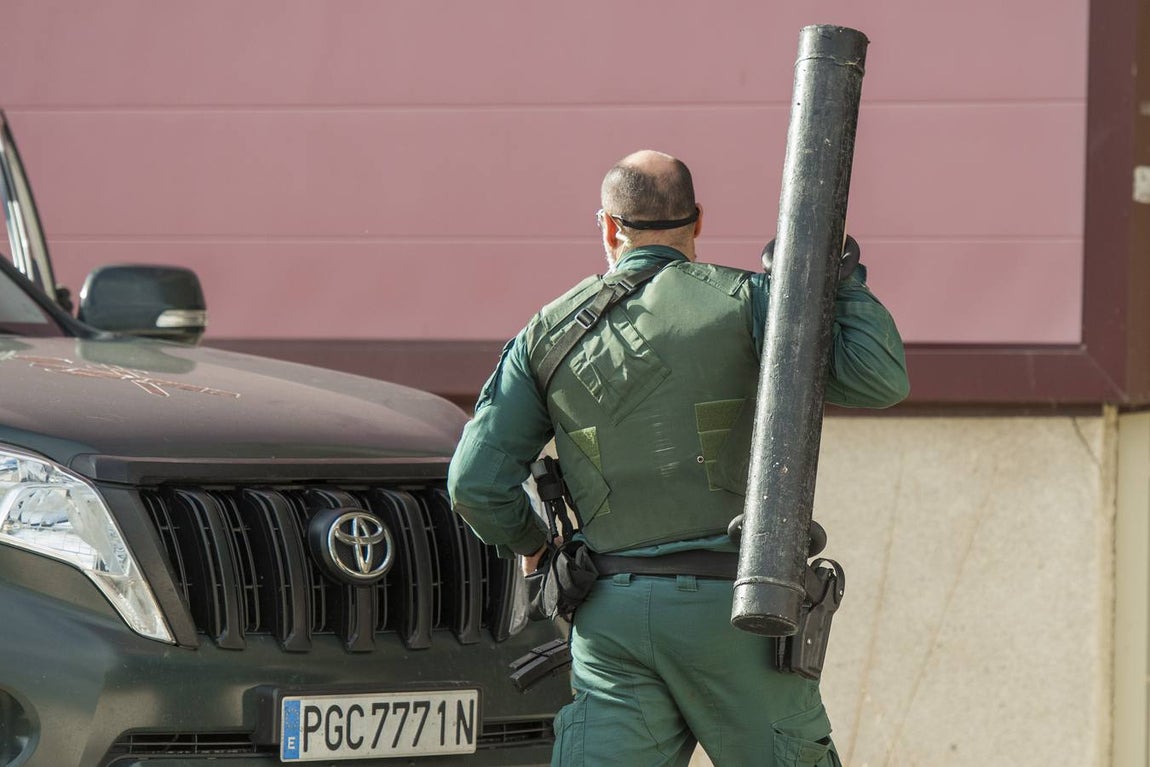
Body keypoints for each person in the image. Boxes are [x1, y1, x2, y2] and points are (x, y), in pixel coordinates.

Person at [448, 150, 909, 767]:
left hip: (610, 618)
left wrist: (537, 546)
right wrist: (837, 279)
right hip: (740, 612)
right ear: (697, 221)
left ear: (610, 227)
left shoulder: (548, 331)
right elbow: (879, 380)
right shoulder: (753, 303)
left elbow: (474, 484)